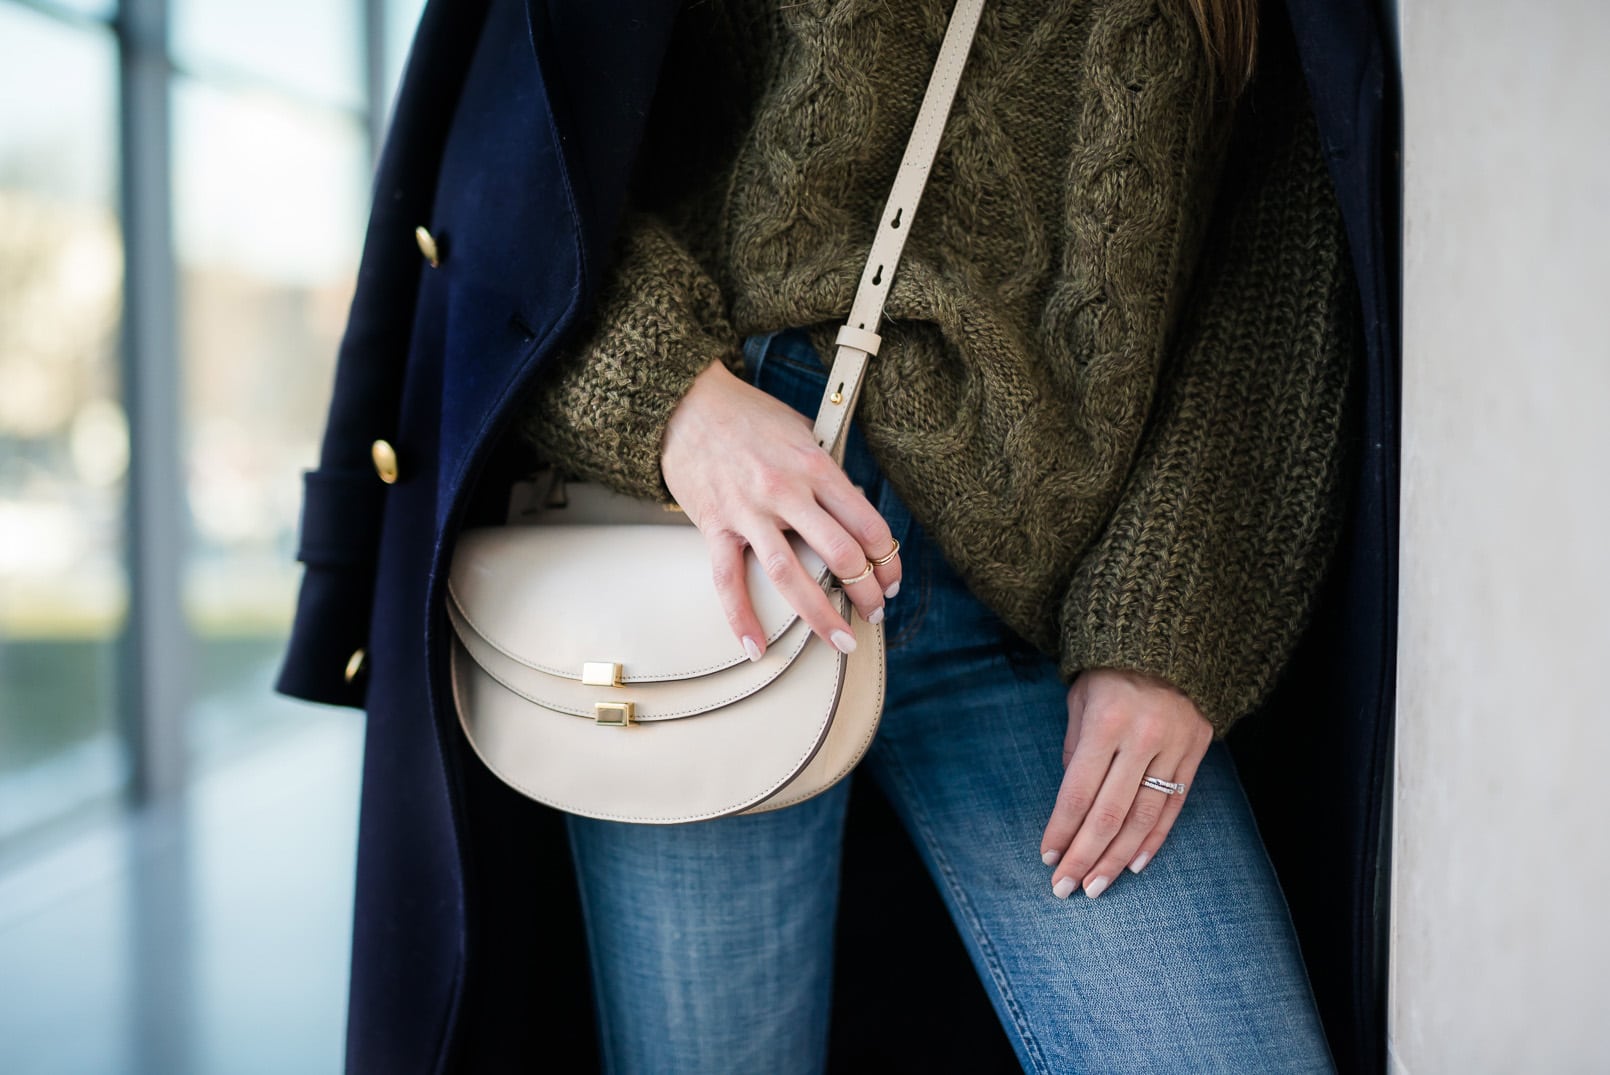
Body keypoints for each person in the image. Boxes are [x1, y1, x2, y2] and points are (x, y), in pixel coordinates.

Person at [502, 0, 1358, 1070]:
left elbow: (1277, 265)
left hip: (1040, 596)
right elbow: (527, 131)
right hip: (720, 552)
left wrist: (1164, 622)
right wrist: (672, 399)